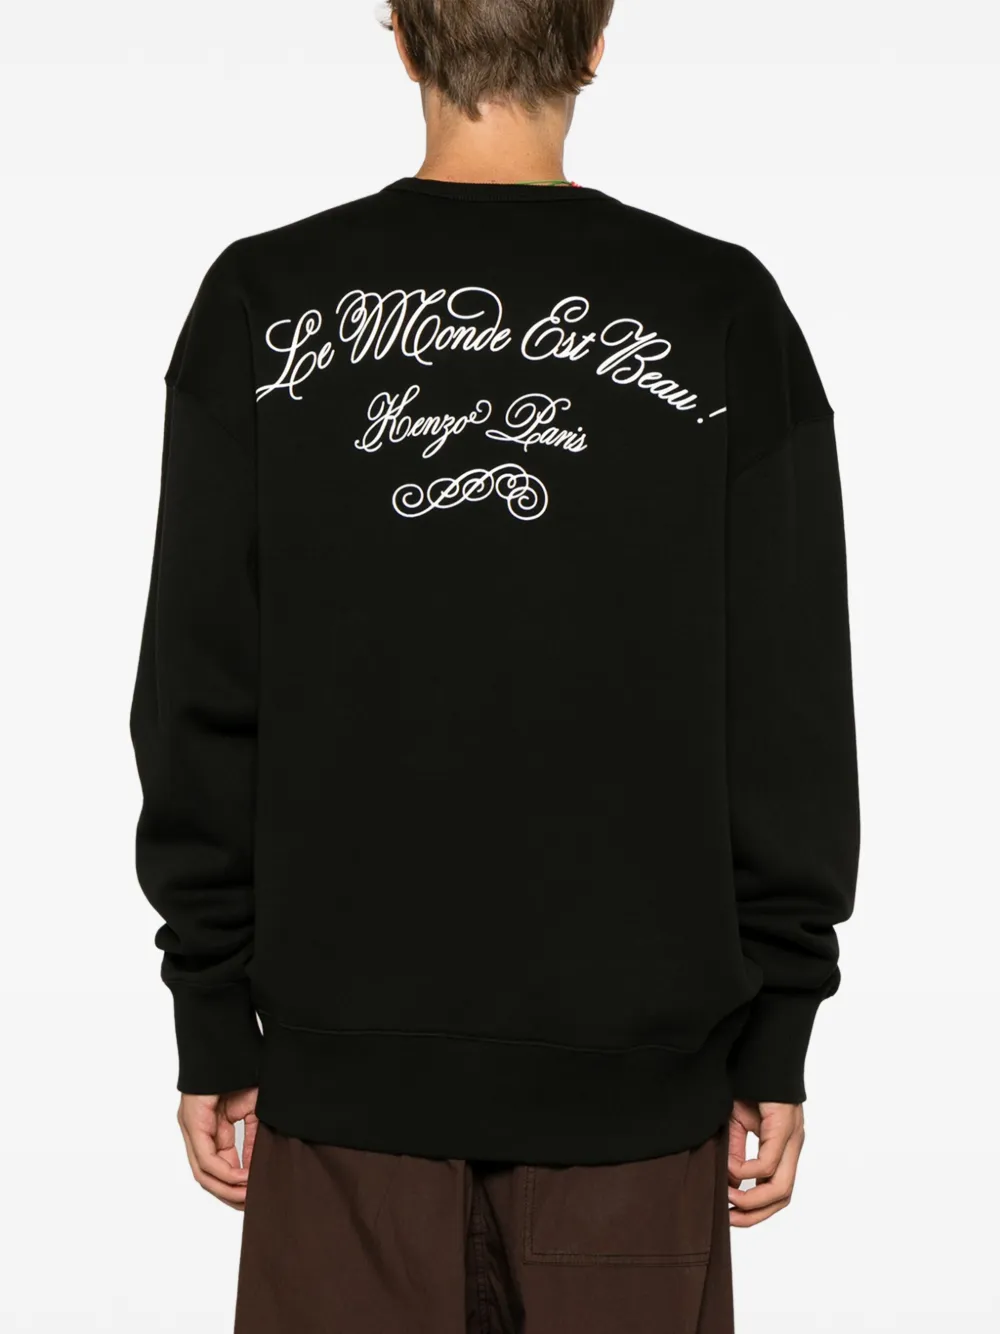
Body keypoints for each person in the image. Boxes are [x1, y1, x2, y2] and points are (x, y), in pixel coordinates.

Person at [129, 2, 860, 1330]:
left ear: (404, 40)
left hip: (347, 1113)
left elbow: (197, 696)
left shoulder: (263, 304)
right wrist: (778, 1025)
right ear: (597, 42)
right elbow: (789, 709)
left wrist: (211, 1008)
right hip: (635, 1114)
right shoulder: (719, 313)